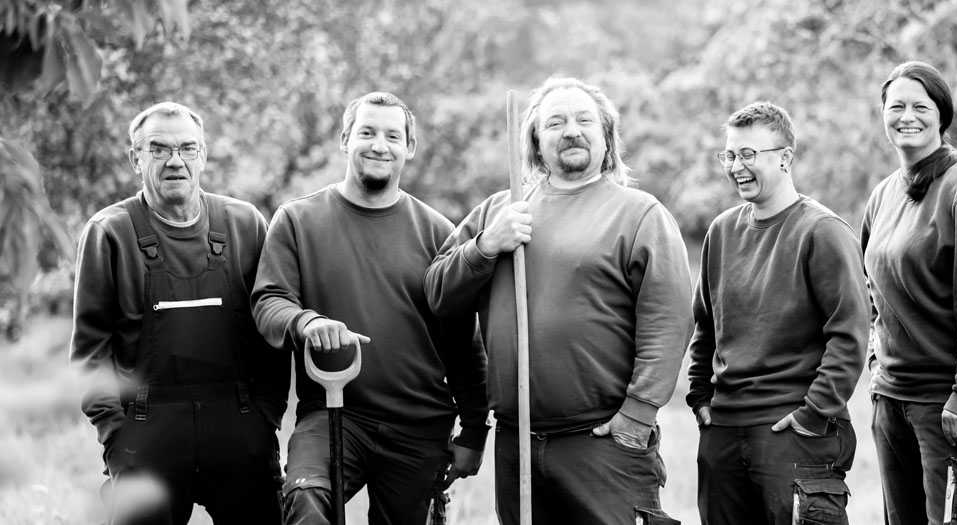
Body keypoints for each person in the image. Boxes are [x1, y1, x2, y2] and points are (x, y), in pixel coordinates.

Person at [424, 77, 692, 525]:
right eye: (555, 123)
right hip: (517, 443)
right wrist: (485, 246)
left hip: (602, 443)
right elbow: (437, 294)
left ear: (607, 136)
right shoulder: (500, 211)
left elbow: (668, 320)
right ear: (535, 142)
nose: (571, 131)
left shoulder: (639, 214)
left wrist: (639, 414)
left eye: (585, 120)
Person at [251, 92, 488, 525]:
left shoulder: (439, 233)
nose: (380, 145)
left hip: (420, 425)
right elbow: (269, 302)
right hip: (333, 412)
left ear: (409, 148)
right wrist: (306, 322)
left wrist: (474, 430)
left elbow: (462, 340)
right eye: (367, 132)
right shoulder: (297, 221)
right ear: (345, 139)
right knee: (305, 499)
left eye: (392, 136)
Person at [70, 102, 290, 524]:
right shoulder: (109, 232)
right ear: (135, 159)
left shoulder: (245, 224)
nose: (175, 160)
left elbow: (272, 328)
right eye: (158, 148)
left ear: (202, 156)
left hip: (241, 435)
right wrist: (117, 441)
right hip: (144, 440)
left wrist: (267, 417)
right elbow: (90, 352)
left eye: (188, 148)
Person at [686, 101, 868, 525]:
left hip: (793, 434)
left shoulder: (822, 232)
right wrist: (699, 397)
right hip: (723, 434)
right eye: (730, 155)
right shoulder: (721, 231)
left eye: (748, 154)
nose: (736, 167)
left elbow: (850, 333)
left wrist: (814, 413)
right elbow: (706, 326)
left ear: (785, 158)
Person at [861, 61, 957, 525]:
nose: (907, 116)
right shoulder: (883, 195)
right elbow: (872, 293)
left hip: (952, 406)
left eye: (920, 106)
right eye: (896, 107)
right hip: (892, 400)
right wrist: (876, 363)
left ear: (941, 115)